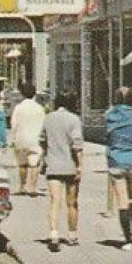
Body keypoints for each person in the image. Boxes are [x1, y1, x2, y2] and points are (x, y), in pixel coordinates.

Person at [105, 86, 132, 250]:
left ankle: (128, 239)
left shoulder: (110, 117)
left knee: (122, 202)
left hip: (117, 161)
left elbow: (108, 137)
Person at [40, 91, 84, 253]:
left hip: (53, 165)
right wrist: (80, 165)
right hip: (70, 165)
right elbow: (77, 145)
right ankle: (72, 235)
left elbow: (42, 140)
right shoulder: (74, 119)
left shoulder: (48, 118)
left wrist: (45, 158)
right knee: (72, 202)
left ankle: (53, 233)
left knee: (54, 201)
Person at [9, 82, 46, 197]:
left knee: (22, 164)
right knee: (34, 164)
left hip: (21, 138)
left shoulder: (18, 108)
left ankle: (22, 186)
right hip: (35, 139)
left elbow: (14, 124)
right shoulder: (40, 108)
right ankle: (32, 187)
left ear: (22, 94)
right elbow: (44, 124)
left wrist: (12, 138)